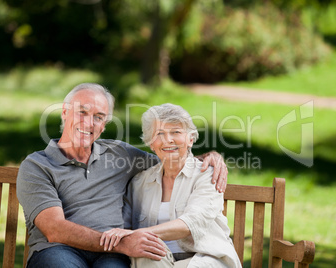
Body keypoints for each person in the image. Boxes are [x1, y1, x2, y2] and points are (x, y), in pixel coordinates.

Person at [16, 83, 228, 268]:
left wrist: (211, 156)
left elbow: (169, 156)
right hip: (59, 249)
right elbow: (55, 229)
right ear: (65, 112)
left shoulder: (119, 154)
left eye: (98, 117)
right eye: (82, 112)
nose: (89, 123)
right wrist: (123, 242)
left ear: (104, 125)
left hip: (112, 255)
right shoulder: (37, 166)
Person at [100, 103, 241, 268]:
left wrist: (135, 234)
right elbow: (124, 226)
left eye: (176, 132)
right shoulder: (140, 183)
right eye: (160, 134)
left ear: (190, 139)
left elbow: (191, 223)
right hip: (159, 259)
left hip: (205, 258)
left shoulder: (207, 175)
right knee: (144, 252)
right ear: (151, 144)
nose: (168, 140)